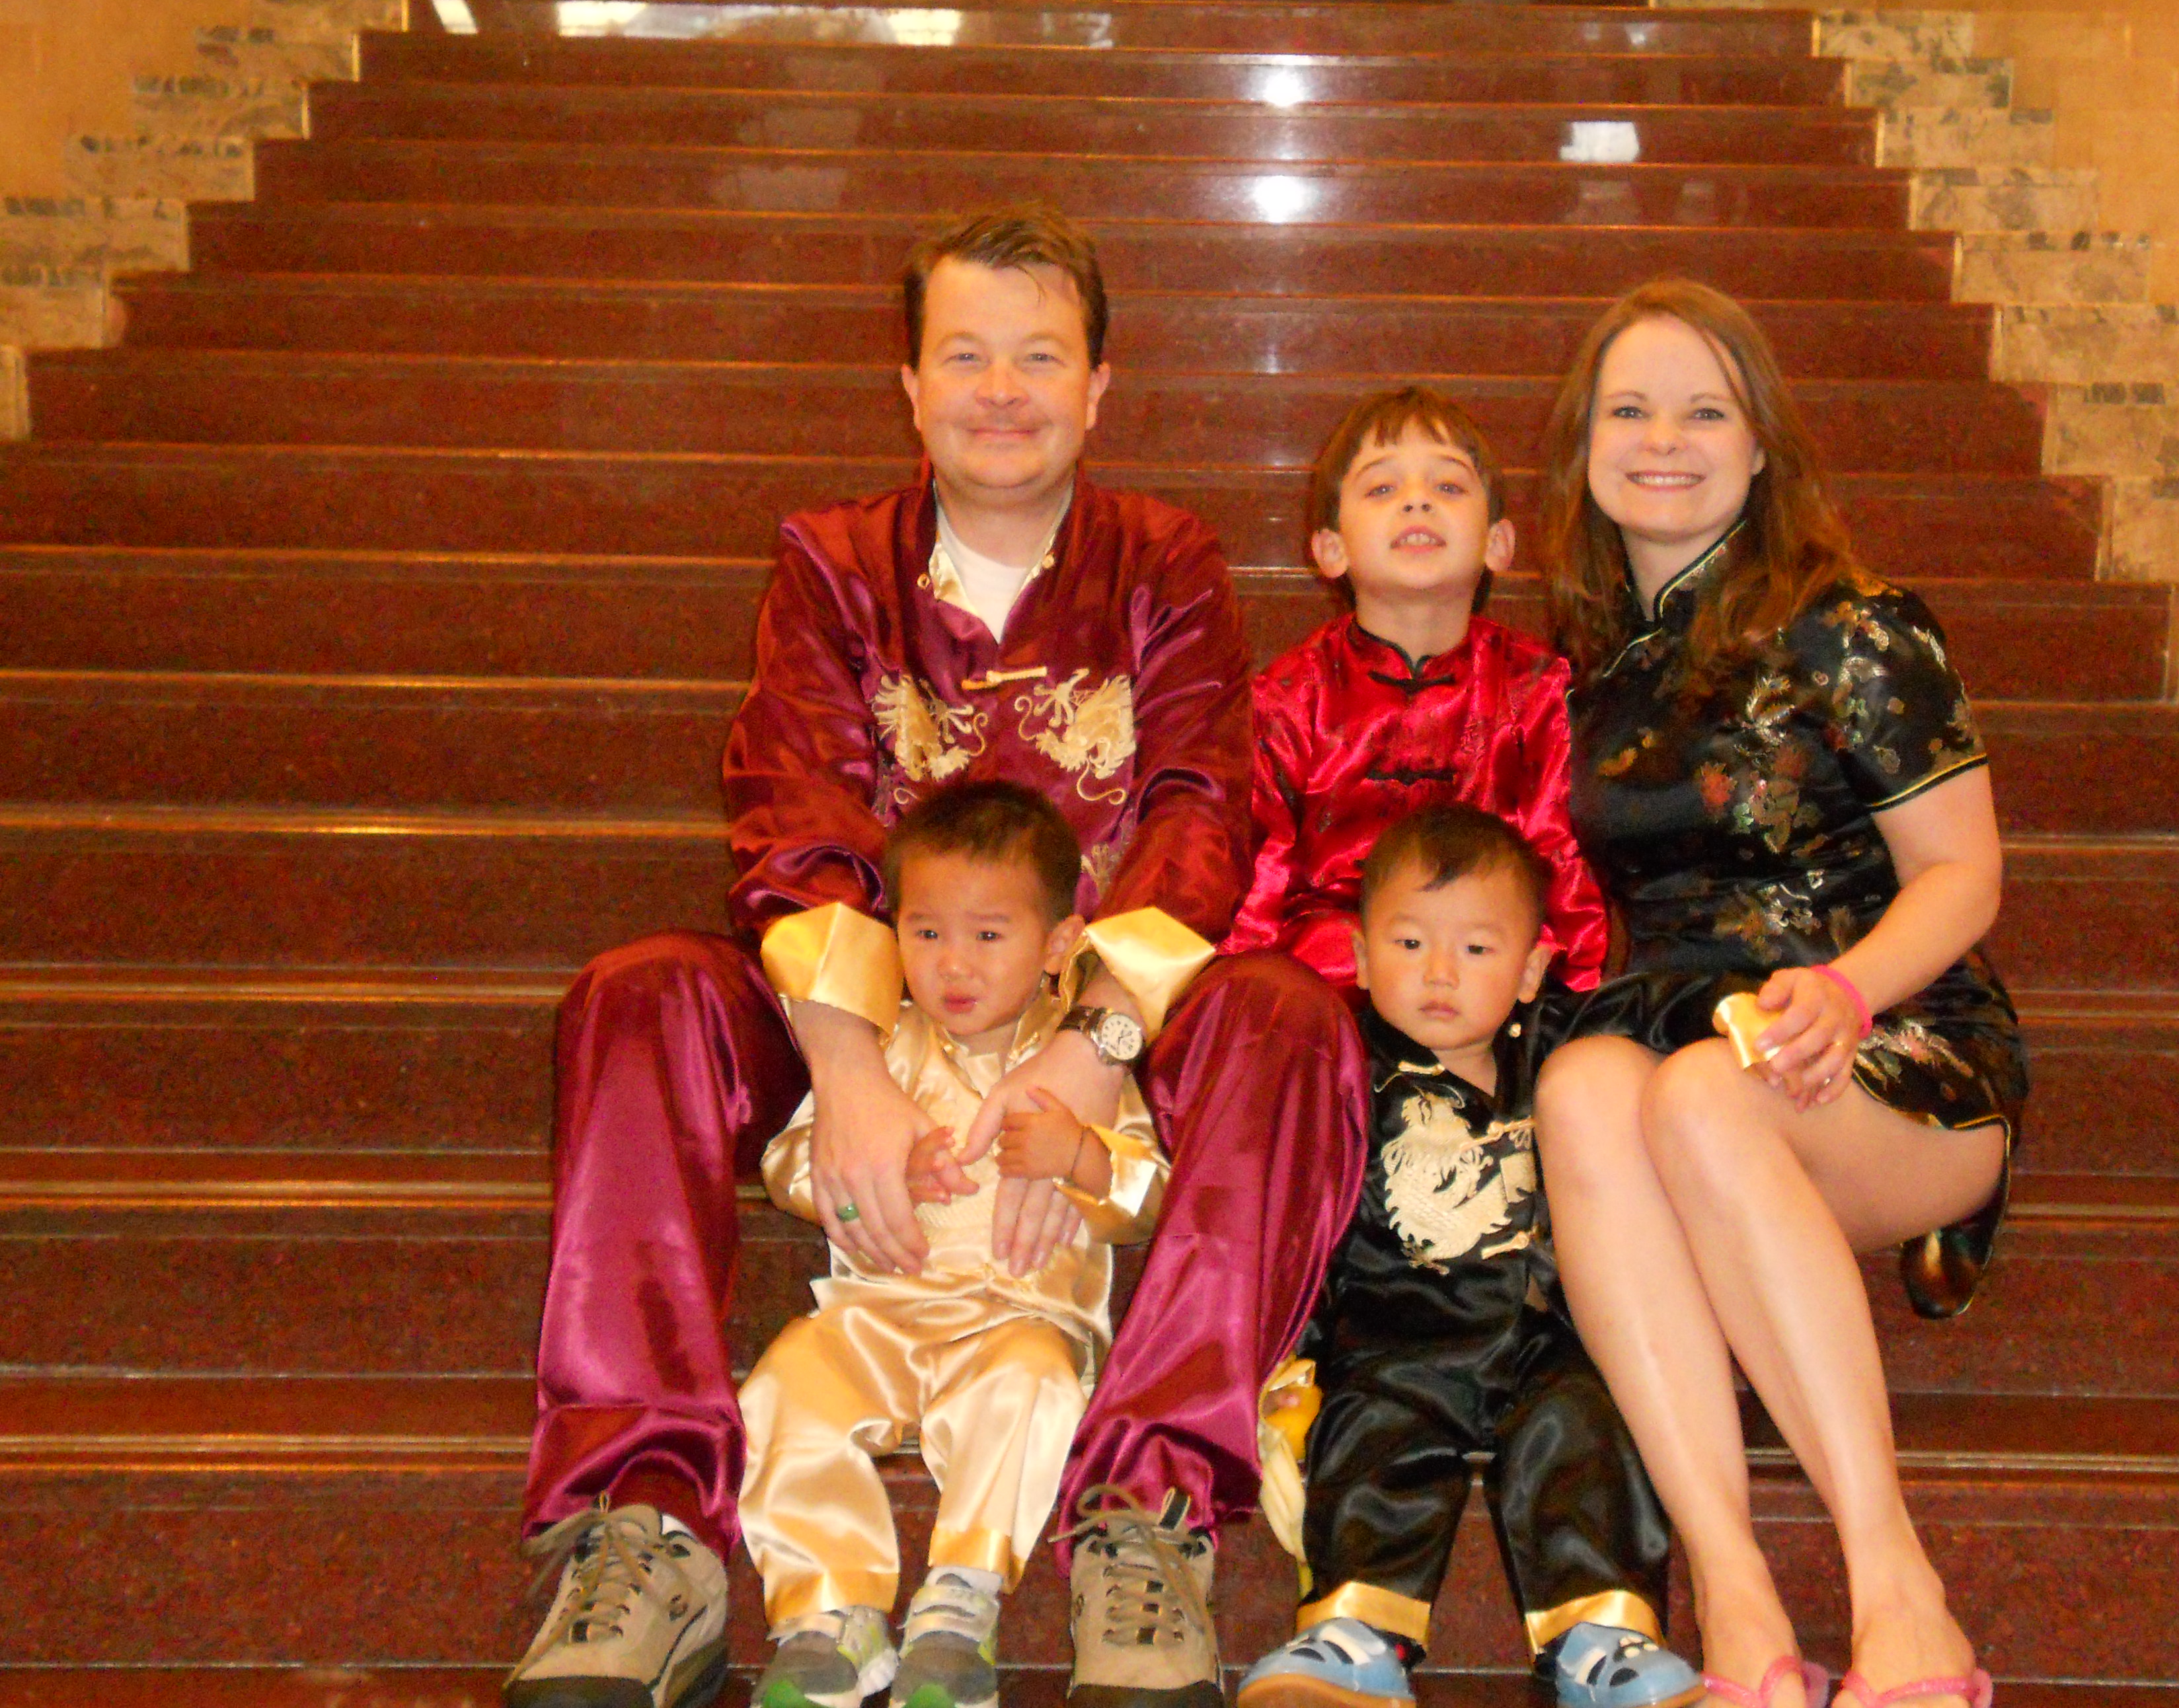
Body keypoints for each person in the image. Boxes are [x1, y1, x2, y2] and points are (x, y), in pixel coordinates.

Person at [506, 204, 1370, 1708]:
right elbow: (796, 809)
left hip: (1100, 1001)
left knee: (1289, 1015)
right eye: (965, 355)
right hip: (871, 1003)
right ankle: (646, 1513)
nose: (1002, 390)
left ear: (1099, 384)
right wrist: (848, 1068)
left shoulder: (1162, 559)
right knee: (641, 991)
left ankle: (1146, 1507)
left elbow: (1197, 810)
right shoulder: (835, 561)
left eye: (1041, 356)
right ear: (908, 383)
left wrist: (1087, 1050)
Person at [1529, 280, 2026, 1708]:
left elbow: (1964, 874)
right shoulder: (1594, 666)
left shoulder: (1854, 624)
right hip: (1687, 1042)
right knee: (1581, 1086)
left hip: (1895, 1047)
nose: (1662, 441)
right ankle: (1737, 1603)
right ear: (1582, 447)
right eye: (1629, 411)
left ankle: (1898, 1590)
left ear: (1760, 447)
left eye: (1704, 411)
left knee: (1698, 1093)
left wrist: (1847, 995)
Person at [1237, 806, 1700, 1708]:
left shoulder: (1562, 1044)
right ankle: (1355, 1632)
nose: (1439, 973)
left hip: (1548, 1332)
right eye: (1409, 943)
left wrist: (1746, 1006)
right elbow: (1297, 1214)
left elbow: (1658, 1007)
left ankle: (1603, 1638)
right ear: (1360, 956)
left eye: (1477, 950)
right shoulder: (1342, 1067)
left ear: (1530, 970)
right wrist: (1293, 1353)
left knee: (1588, 1421)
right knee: (1375, 1430)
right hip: (1396, 1332)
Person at [740, 782, 1174, 1708]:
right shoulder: (882, 1053)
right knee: (782, 1387)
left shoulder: (1079, 1068)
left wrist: (1081, 1157)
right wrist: (866, 1183)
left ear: (1058, 944)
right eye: (927, 932)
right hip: (873, 1315)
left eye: (988, 934)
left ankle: (959, 1603)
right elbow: (785, 1162)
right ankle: (828, 1610)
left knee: (1036, 1386)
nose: (953, 964)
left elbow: (1151, 1195)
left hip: (1019, 1319)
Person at [1221, 385, 1607, 992]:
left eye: (1448, 487)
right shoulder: (1290, 697)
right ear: (1330, 549)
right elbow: (1264, 869)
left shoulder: (1536, 688)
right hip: (1334, 975)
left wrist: (1584, 989)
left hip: (1488, 975)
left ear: (1498, 543)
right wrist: (1239, 993)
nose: (1417, 502)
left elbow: (1558, 854)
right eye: (1382, 489)